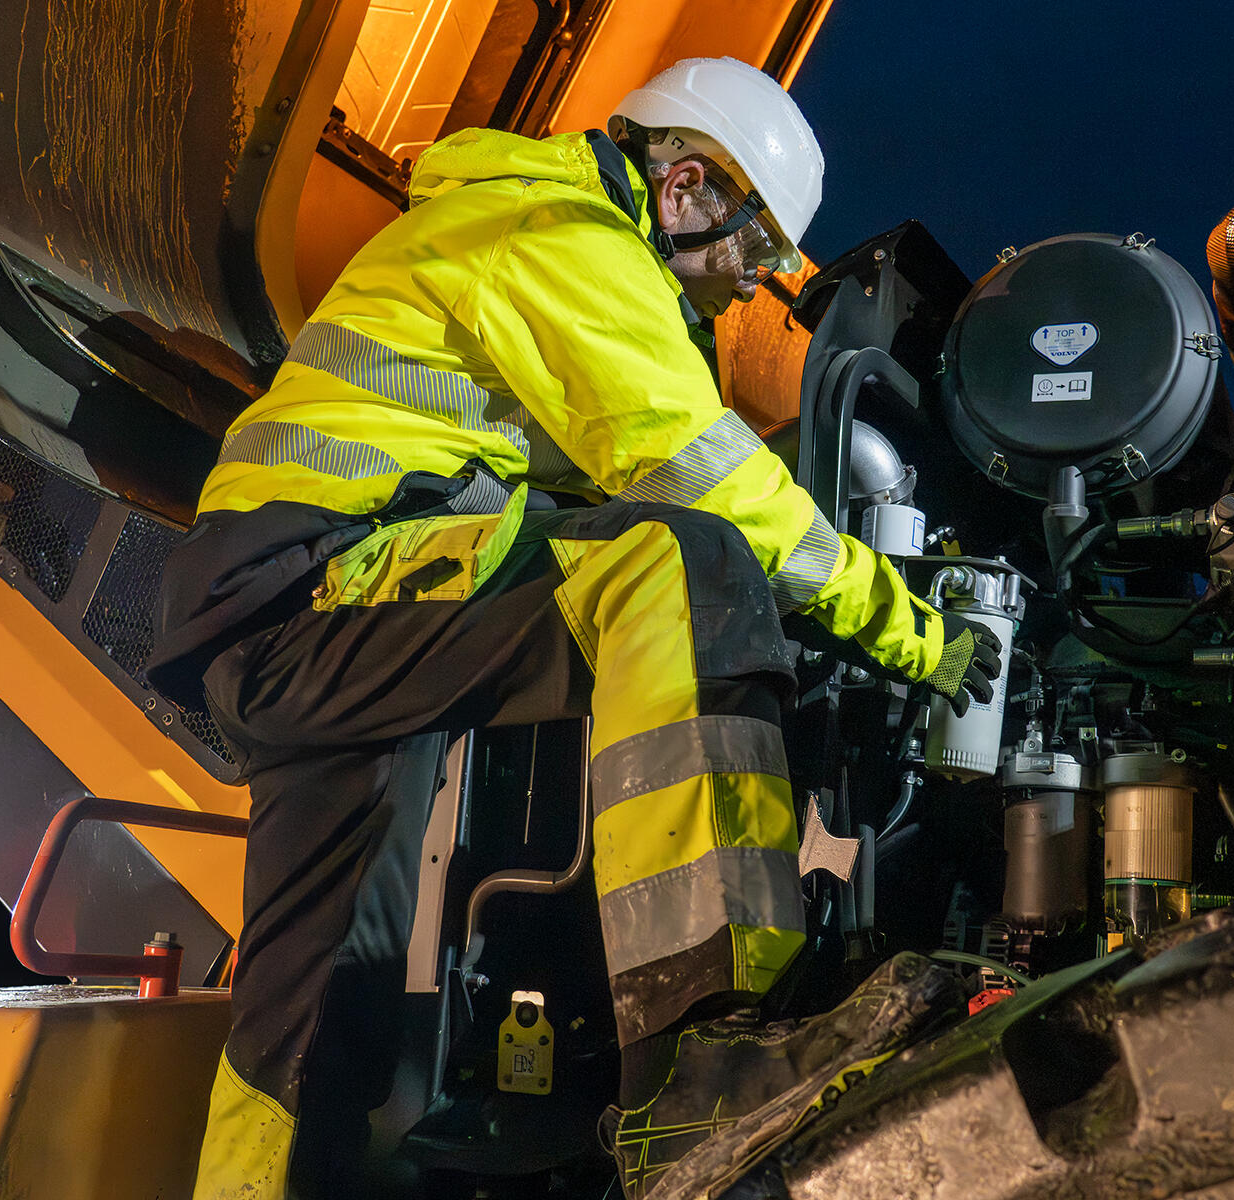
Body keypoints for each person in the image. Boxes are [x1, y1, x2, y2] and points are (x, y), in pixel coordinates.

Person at [148, 57, 1001, 1199]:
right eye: (753, 247)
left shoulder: (510, 231)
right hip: (330, 577)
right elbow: (697, 476)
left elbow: (576, 477)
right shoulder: (562, 235)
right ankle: (705, 1047)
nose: (751, 282)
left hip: (274, 612)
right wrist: (902, 626)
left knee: (315, 1011)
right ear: (686, 185)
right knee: (682, 562)